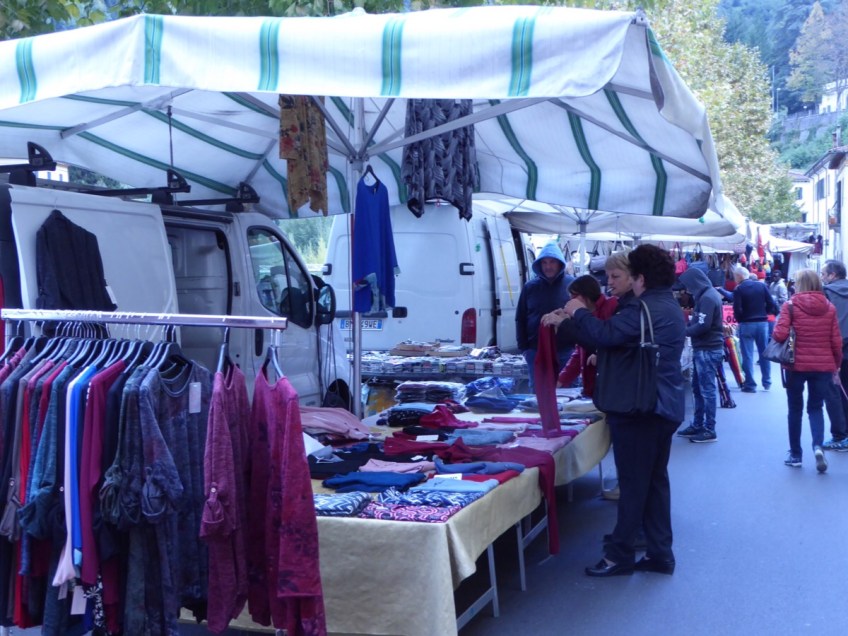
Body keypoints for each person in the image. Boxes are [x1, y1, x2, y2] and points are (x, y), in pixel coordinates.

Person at [555, 245, 685, 577]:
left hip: (641, 408)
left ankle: (619, 554)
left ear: (639, 277)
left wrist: (577, 311)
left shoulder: (644, 309)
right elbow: (616, 341)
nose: (610, 282)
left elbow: (606, 334)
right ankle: (659, 553)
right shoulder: (662, 304)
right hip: (660, 406)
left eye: (616, 276)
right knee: (654, 483)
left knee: (634, 484)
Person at [772, 269, 842, 473]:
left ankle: (795, 454)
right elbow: (835, 341)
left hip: (795, 365)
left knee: (795, 409)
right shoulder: (829, 307)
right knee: (815, 408)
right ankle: (818, 447)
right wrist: (835, 365)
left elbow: (779, 335)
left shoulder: (790, 306)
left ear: (800, 284)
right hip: (822, 366)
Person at [515, 242, 574, 389]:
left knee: (567, 394)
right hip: (536, 351)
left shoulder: (572, 285)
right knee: (538, 395)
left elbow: (581, 316)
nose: (548, 266)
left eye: (552, 261)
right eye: (544, 262)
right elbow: (520, 318)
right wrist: (524, 349)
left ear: (560, 263)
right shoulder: (530, 287)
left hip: (565, 350)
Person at [548, 275, 618, 396]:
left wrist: (599, 354)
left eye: (574, 296)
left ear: (587, 294)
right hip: (593, 387)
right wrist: (561, 380)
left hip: (609, 387)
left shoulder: (611, 306)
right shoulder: (583, 315)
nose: (571, 301)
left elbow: (607, 339)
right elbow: (579, 352)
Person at [677, 267, 725, 443]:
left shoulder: (707, 298)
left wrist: (684, 332)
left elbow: (703, 325)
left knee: (705, 390)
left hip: (707, 348)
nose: (687, 290)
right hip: (706, 348)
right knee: (700, 389)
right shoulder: (708, 295)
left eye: (688, 285)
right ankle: (699, 425)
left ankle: (708, 428)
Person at [732, 264, 778, 392]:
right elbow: (771, 303)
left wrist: (740, 319)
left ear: (739, 276)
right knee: (764, 353)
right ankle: (767, 381)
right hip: (762, 323)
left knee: (747, 355)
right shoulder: (761, 286)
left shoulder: (739, 289)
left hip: (746, 324)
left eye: (735, 277)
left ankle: (750, 384)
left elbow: (737, 309)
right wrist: (765, 313)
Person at [821, 259, 848, 451]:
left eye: (823, 274)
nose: (822, 278)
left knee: (834, 393)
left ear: (832, 275)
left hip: (836, 349)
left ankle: (841, 435)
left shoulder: (826, 293)